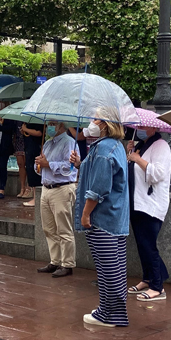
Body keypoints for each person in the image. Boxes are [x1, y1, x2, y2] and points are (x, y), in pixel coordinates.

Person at [72, 113, 130, 327]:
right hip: (113, 218)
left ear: (106, 125)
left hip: (103, 218)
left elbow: (99, 188)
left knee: (108, 269)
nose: (92, 122)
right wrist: (80, 164)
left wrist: (86, 214)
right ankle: (108, 311)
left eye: (96, 119)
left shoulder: (105, 149)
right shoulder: (112, 146)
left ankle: (111, 315)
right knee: (114, 267)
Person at [127, 127, 171, 301]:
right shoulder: (141, 145)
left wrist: (137, 159)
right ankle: (148, 278)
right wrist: (130, 154)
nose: (139, 130)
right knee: (141, 244)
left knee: (148, 245)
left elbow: (158, 173)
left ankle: (157, 286)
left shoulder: (161, 145)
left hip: (151, 204)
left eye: (143, 127)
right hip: (137, 202)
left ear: (153, 128)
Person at [35, 121, 80, 277]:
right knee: (48, 228)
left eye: (53, 124)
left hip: (62, 188)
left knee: (63, 228)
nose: (49, 127)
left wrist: (48, 164)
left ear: (62, 126)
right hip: (46, 188)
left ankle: (67, 264)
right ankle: (55, 260)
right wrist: (39, 165)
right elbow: (41, 167)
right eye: (48, 124)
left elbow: (70, 166)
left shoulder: (69, 143)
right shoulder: (47, 143)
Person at [21, 122, 44, 207]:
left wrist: (26, 129)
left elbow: (39, 132)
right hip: (29, 148)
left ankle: (36, 198)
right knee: (30, 170)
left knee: (36, 173)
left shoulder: (37, 121)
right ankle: (35, 197)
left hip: (35, 148)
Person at [12, 124, 30, 199]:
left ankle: (29, 187)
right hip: (18, 141)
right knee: (20, 164)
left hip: (28, 140)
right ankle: (22, 187)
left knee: (28, 164)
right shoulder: (16, 120)